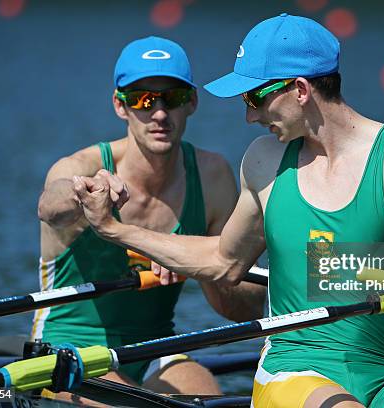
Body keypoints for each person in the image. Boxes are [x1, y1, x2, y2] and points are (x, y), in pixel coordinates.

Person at [73, 15, 384, 408]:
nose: (248, 117)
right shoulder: (264, 163)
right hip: (291, 375)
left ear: (300, 90)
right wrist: (115, 230)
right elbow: (224, 262)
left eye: (254, 99)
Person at [32, 35, 266, 394]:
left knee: (205, 395)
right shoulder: (81, 167)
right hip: (67, 348)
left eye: (171, 98)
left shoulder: (212, 175)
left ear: (192, 103)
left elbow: (245, 309)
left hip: (155, 348)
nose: (158, 113)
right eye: (142, 99)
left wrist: (195, 260)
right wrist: (85, 192)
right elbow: (49, 206)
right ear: (119, 106)